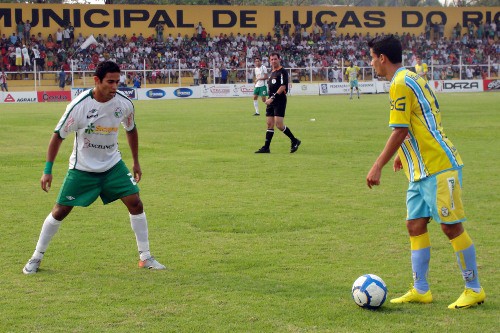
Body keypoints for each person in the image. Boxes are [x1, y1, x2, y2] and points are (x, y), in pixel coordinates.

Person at [366, 35, 485, 309]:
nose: (372, 63)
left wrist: (378, 165)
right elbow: (420, 119)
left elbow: (401, 129)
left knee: (450, 226)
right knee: (415, 224)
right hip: (418, 170)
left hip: (438, 165)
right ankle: (421, 289)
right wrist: (401, 155)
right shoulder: (411, 77)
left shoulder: (399, 83)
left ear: (382, 58)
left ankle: (474, 288)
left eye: (372, 58)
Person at [22, 61, 166, 275]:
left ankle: (145, 257)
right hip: (82, 168)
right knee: (60, 210)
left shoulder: (124, 103)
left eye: (118, 81)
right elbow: (57, 136)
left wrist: (135, 161)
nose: (115, 86)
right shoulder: (79, 106)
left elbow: (131, 129)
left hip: (112, 165)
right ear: (97, 81)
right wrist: (47, 169)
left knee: (135, 203)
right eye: (110, 82)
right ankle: (36, 257)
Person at [255, 52, 301, 154]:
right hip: (271, 100)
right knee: (269, 124)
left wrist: (272, 98)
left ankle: (294, 140)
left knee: (279, 125)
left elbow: (283, 86)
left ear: (279, 59)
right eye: (271, 59)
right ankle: (266, 147)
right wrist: (268, 97)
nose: (273, 61)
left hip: (279, 100)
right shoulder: (272, 72)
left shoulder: (282, 72)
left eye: (275, 59)